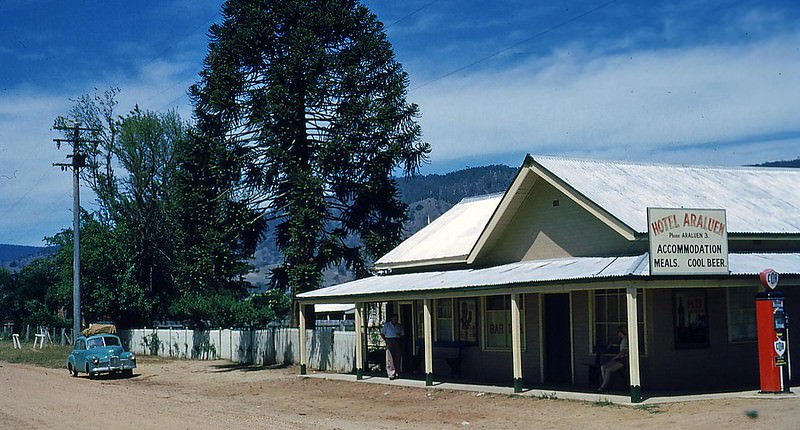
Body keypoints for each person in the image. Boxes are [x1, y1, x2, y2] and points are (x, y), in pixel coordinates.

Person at [380, 313, 404, 380]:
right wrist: (386, 340)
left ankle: (397, 372)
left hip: (397, 340)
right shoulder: (387, 325)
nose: (395, 320)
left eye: (396, 319)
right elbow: (382, 334)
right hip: (389, 340)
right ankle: (391, 374)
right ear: (391, 319)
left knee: (397, 357)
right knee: (389, 358)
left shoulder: (399, 326)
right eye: (394, 319)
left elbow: (402, 334)